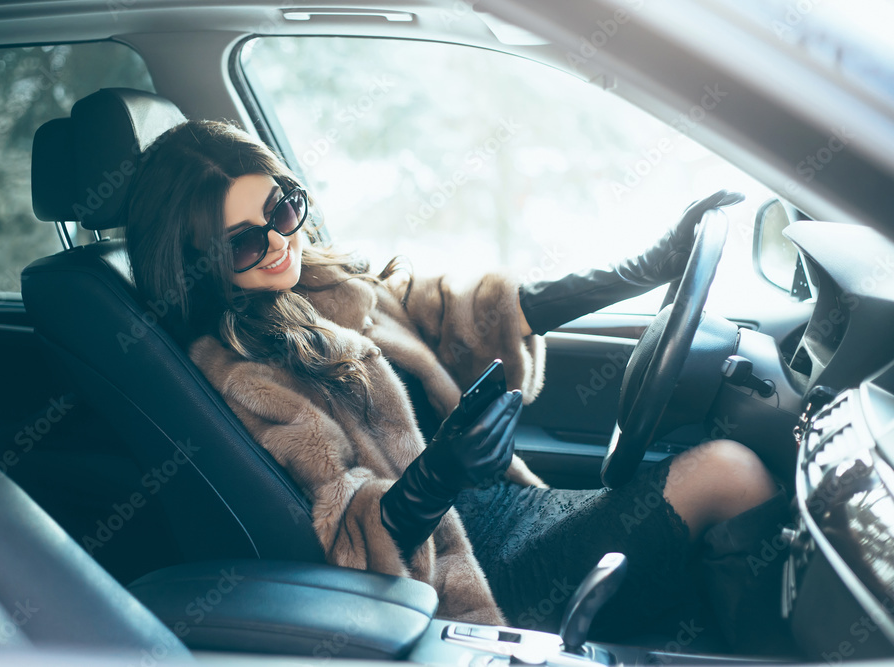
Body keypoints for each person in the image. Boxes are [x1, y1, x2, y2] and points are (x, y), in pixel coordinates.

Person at [123, 119, 791, 652]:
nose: (279, 244)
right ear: (196, 264)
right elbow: (341, 529)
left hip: (509, 509)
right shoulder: (238, 371)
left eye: (283, 206)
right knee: (728, 472)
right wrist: (434, 476)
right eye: (244, 244)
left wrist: (641, 269)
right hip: (462, 573)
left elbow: (462, 316)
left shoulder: (326, 285)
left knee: (717, 493)